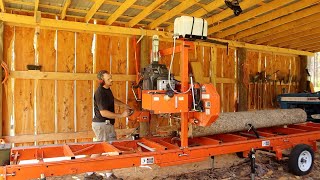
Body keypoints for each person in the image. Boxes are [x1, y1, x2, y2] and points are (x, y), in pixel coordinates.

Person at [85, 70, 130, 180]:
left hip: (106, 125)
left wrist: (124, 105)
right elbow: (103, 112)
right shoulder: (100, 93)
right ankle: (89, 173)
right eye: (109, 79)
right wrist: (121, 115)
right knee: (101, 149)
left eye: (111, 78)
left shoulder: (107, 90)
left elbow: (112, 100)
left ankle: (108, 175)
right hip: (102, 124)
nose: (111, 80)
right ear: (102, 81)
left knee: (110, 149)